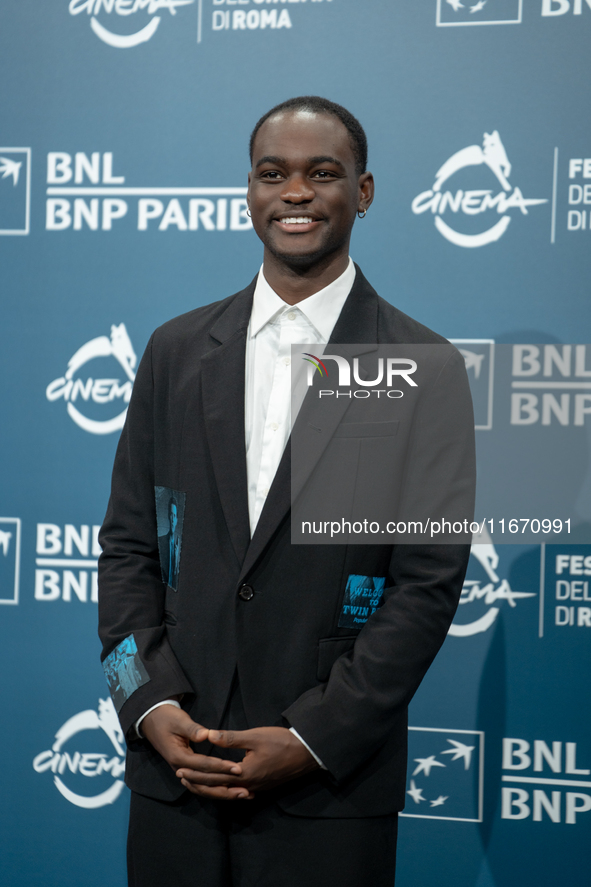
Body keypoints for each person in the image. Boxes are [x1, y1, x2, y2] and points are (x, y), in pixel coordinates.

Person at [98, 96, 475, 887]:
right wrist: (146, 704)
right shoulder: (173, 349)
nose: (294, 192)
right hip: (174, 782)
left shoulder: (420, 365)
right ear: (249, 191)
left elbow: (425, 587)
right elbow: (128, 548)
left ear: (363, 193)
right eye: (273, 173)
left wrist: (309, 738)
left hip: (327, 796)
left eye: (321, 173)